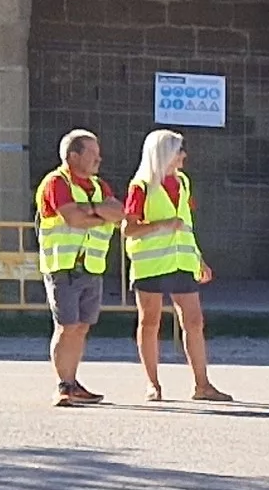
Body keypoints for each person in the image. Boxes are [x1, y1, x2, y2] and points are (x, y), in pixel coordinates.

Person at [119, 128, 230, 403]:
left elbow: (187, 225)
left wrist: (199, 258)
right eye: (179, 150)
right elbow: (128, 228)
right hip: (151, 264)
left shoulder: (183, 182)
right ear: (164, 154)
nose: (183, 155)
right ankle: (152, 384)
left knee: (194, 321)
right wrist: (161, 225)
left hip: (182, 261)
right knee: (149, 322)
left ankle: (202, 385)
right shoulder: (141, 185)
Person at [36, 129, 115, 408]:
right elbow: (73, 219)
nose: (99, 158)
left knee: (81, 327)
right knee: (66, 326)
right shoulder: (56, 183)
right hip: (64, 267)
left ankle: (73, 381)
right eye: (92, 153)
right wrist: (98, 213)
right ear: (73, 156)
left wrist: (89, 210)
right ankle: (63, 385)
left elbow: (118, 214)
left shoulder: (99, 186)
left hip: (91, 266)